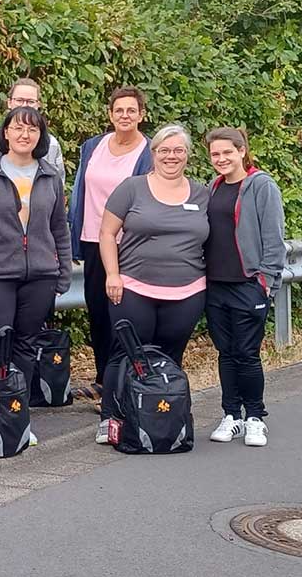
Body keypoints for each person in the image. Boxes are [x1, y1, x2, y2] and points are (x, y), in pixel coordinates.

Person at [0, 106, 72, 434]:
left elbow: (59, 229)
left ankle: (15, 416)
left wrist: (62, 271)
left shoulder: (49, 176)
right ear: (5, 132)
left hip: (40, 276)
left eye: (32, 130)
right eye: (18, 128)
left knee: (24, 347)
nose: (25, 135)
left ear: (40, 136)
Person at [98, 125, 209, 444]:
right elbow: (107, 234)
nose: (171, 156)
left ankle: (163, 419)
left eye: (178, 150)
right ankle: (112, 420)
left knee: (170, 358)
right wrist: (112, 274)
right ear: (154, 153)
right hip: (132, 288)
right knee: (124, 356)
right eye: (164, 150)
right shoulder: (131, 188)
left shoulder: (202, 194)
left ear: (187, 155)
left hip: (187, 292)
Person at [68, 86, 152, 402]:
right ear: (110, 114)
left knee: (124, 314)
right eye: (119, 110)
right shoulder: (93, 146)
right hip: (92, 239)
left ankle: (125, 381)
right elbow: (80, 190)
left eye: (132, 110)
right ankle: (103, 380)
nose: (125, 116)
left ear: (141, 115)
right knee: (98, 312)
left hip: (128, 245)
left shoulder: (148, 152)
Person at [204, 127, 285, 448]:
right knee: (226, 353)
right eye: (215, 154)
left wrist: (266, 282)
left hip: (248, 284)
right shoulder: (214, 187)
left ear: (241, 151)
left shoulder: (261, 185)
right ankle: (231, 415)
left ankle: (254, 418)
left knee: (247, 354)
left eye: (227, 152)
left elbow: (273, 239)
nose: (221, 159)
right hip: (216, 286)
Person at [0, 77, 65, 179]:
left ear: (38, 105)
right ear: (9, 103)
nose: (24, 105)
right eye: (19, 100)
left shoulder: (52, 145)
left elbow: (58, 187)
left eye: (30, 101)